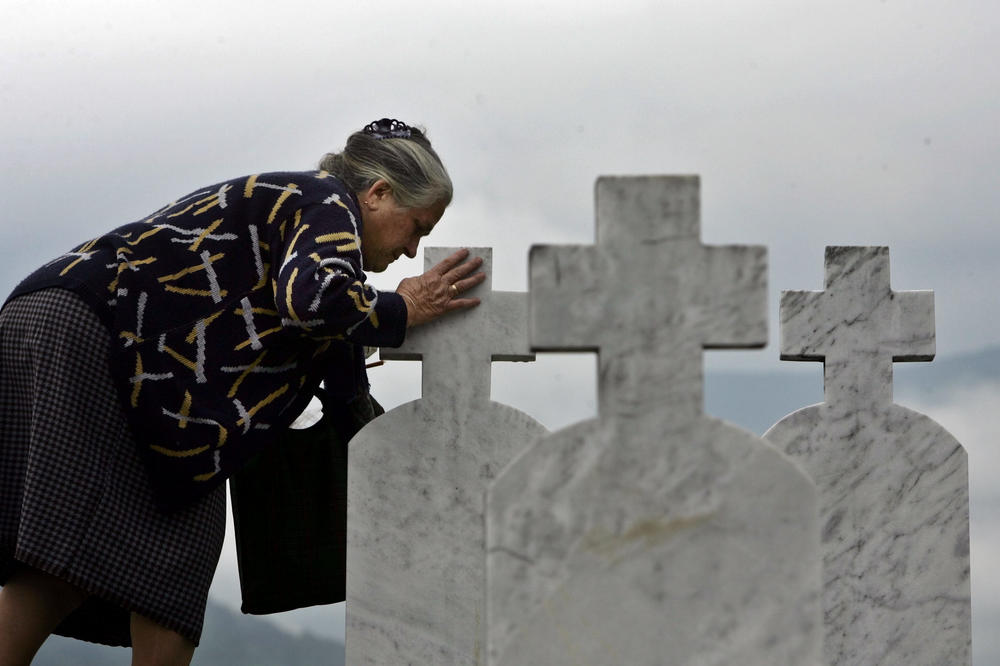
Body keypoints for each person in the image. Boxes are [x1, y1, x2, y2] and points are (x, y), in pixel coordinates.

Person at [0, 118, 483, 665]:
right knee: (177, 553)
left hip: (64, 319)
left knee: (66, 551)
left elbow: (295, 320)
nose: (413, 249)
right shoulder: (329, 203)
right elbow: (313, 301)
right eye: (416, 227)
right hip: (100, 334)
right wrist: (402, 308)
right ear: (377, 193)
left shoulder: (295, 202)